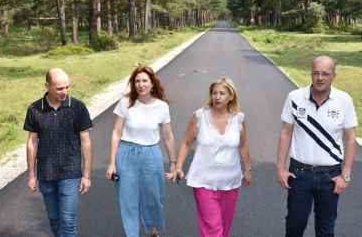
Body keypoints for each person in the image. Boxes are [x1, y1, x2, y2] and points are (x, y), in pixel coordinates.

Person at [276, 56, 357, 237]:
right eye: (316, 73)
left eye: (325, 74)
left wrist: (346, 175)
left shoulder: (344, 100)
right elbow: (285, 133)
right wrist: (280, 168)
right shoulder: (295, 97)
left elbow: (351, 138)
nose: (320, 78)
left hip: (331, 175)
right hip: (299, 173)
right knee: (295, 225)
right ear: (311, 74)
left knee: (325, 229)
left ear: (333, 76)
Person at [171, 77, 252, 237]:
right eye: (214, 93)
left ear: (231, 97)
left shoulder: (238, 119)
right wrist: (178, 167)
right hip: (203, 181)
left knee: (224, 228)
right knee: (213, 230)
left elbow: (243, 145)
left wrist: (248, 169)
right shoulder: (199, 116)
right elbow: (186, 142)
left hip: (230, 182)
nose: (217, 97)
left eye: (222, 93)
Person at [105, 65, 176, 237]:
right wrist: (112, 162)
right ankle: (132, 233)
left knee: (153, 196)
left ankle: (152, 229)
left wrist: (173, 163)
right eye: (137, 81)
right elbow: (116, 132)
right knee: (128, 199)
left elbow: (168, 136)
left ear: (152, 83)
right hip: (126, 153)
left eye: (145, 81)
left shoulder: (161, 106)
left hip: (151, 154)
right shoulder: (126, 102)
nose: (140, 84)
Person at [24, 68, 93, 237]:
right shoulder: (35, 109)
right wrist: (32, 175)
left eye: (67, 87)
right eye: (59, 88)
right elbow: (32, 142)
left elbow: (86, 142)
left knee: (68, 221)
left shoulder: (77, 107)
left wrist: (86, 175)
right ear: (47, 86)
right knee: (54, 220)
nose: (65, 92)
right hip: (46, 174)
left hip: (70, 172)